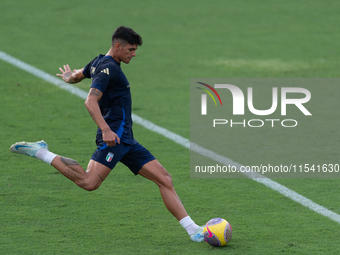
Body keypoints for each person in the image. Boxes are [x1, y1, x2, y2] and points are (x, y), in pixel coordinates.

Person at [10, 26, 204, 242]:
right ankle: (41, 152)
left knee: (164, 178)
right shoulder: (108, 69)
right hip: (114, 138)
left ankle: (193, 230)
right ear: (117, 46)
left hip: (126, 140)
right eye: (130, 49)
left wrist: (69, 77)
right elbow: (90, 101)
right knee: (88, 182)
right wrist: (105, 130)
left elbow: (78, 75)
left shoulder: (98, 62)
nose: (134, 54)